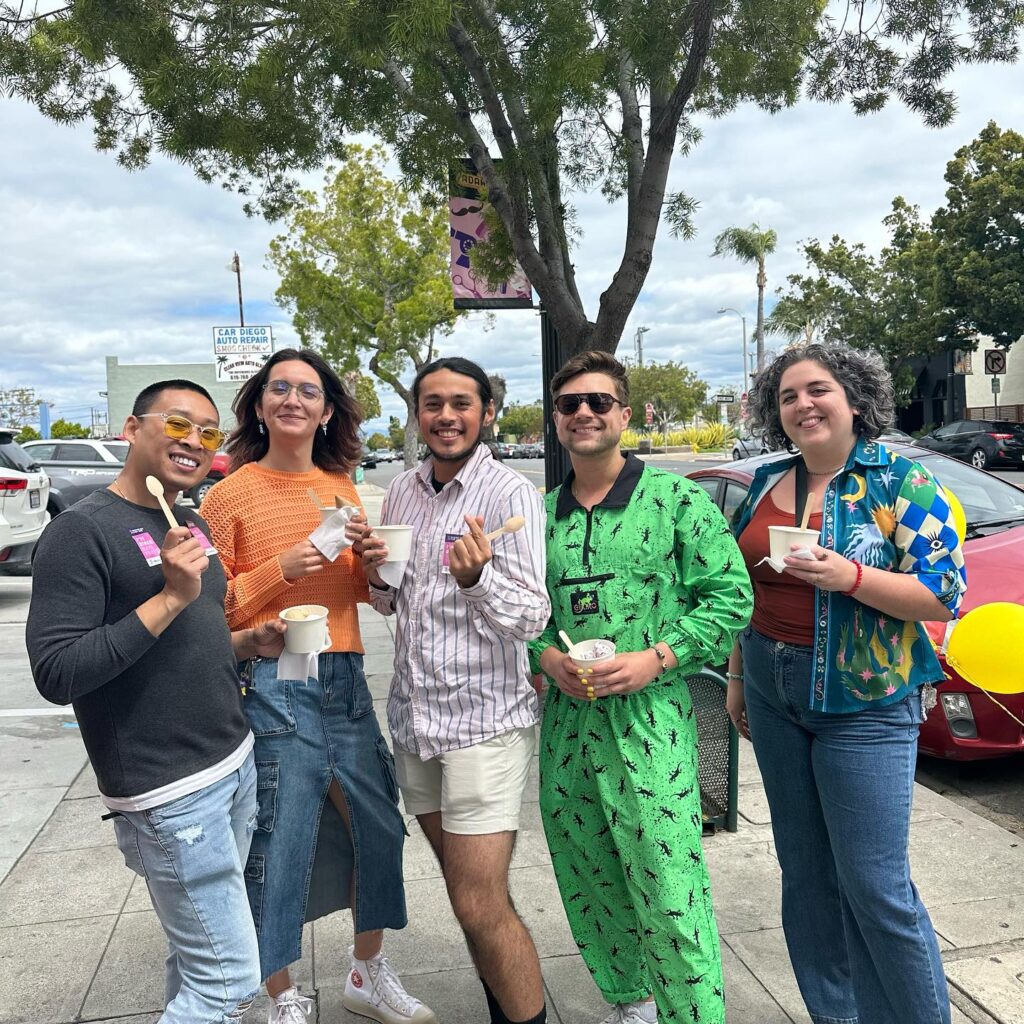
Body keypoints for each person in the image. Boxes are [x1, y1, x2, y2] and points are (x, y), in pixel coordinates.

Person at [27, 380, 287, 1023]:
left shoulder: (190, 520)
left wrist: (245, 642)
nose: (193, 441)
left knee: (197, 960)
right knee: (228, 983)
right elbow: (58, 672)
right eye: (177, 424)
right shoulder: (81, 532)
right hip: (169, 789)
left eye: (207, 432)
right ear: (131, 429)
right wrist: (170, 596)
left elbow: (191, 639)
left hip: (230, 762)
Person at [726, 342, 967, 1024]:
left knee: (875, 888)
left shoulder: (902, 482)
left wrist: (850, 576)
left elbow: (944, 594)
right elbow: (744, 591)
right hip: (772, 691)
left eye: (817, 390)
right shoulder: (767, 482)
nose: (802, 404)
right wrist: (739, 678)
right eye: (787, 396)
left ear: (855, 400)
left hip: (866, 703)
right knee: (805, 876)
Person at [199, 349, 432, 1024]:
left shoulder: (341, 487)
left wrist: (376, 565)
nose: (293, 400)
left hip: (344, 677)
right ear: (259, 405)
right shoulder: (229, 494)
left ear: (327, 411)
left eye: (308, 391)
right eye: (280, 388)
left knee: (379, 827)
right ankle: (278, 993)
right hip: (272, 680)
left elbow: (361, 589)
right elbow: (210, 609)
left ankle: (367, 970)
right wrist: (281, 567)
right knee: (279, 838)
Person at [529, 351, 753, 1024]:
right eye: (569, 404)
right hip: (569, 728)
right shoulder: (540, 516)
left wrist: (659, 658)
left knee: (669, 883)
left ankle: (693, 1016)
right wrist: (547, 660)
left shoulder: (676, 500)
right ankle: (633, 1003)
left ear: (624, 414)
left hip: (651, 721)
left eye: (598, 401)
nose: (584, 413)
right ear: (556, 420)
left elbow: (731, 596)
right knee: (589, 872)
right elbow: (522, 617)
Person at [358, 357, 551, 1024]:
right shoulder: (402, 492)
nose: (446, 416)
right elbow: (392, 600)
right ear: (417, 414)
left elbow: (532, 617)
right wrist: (374, 574)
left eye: (461, 403)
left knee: (478, 902)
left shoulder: (509, 494)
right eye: (433, 403)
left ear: (487, 413)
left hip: (484, 726)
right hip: (416, 723)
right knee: (469, 894)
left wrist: (477, 580)